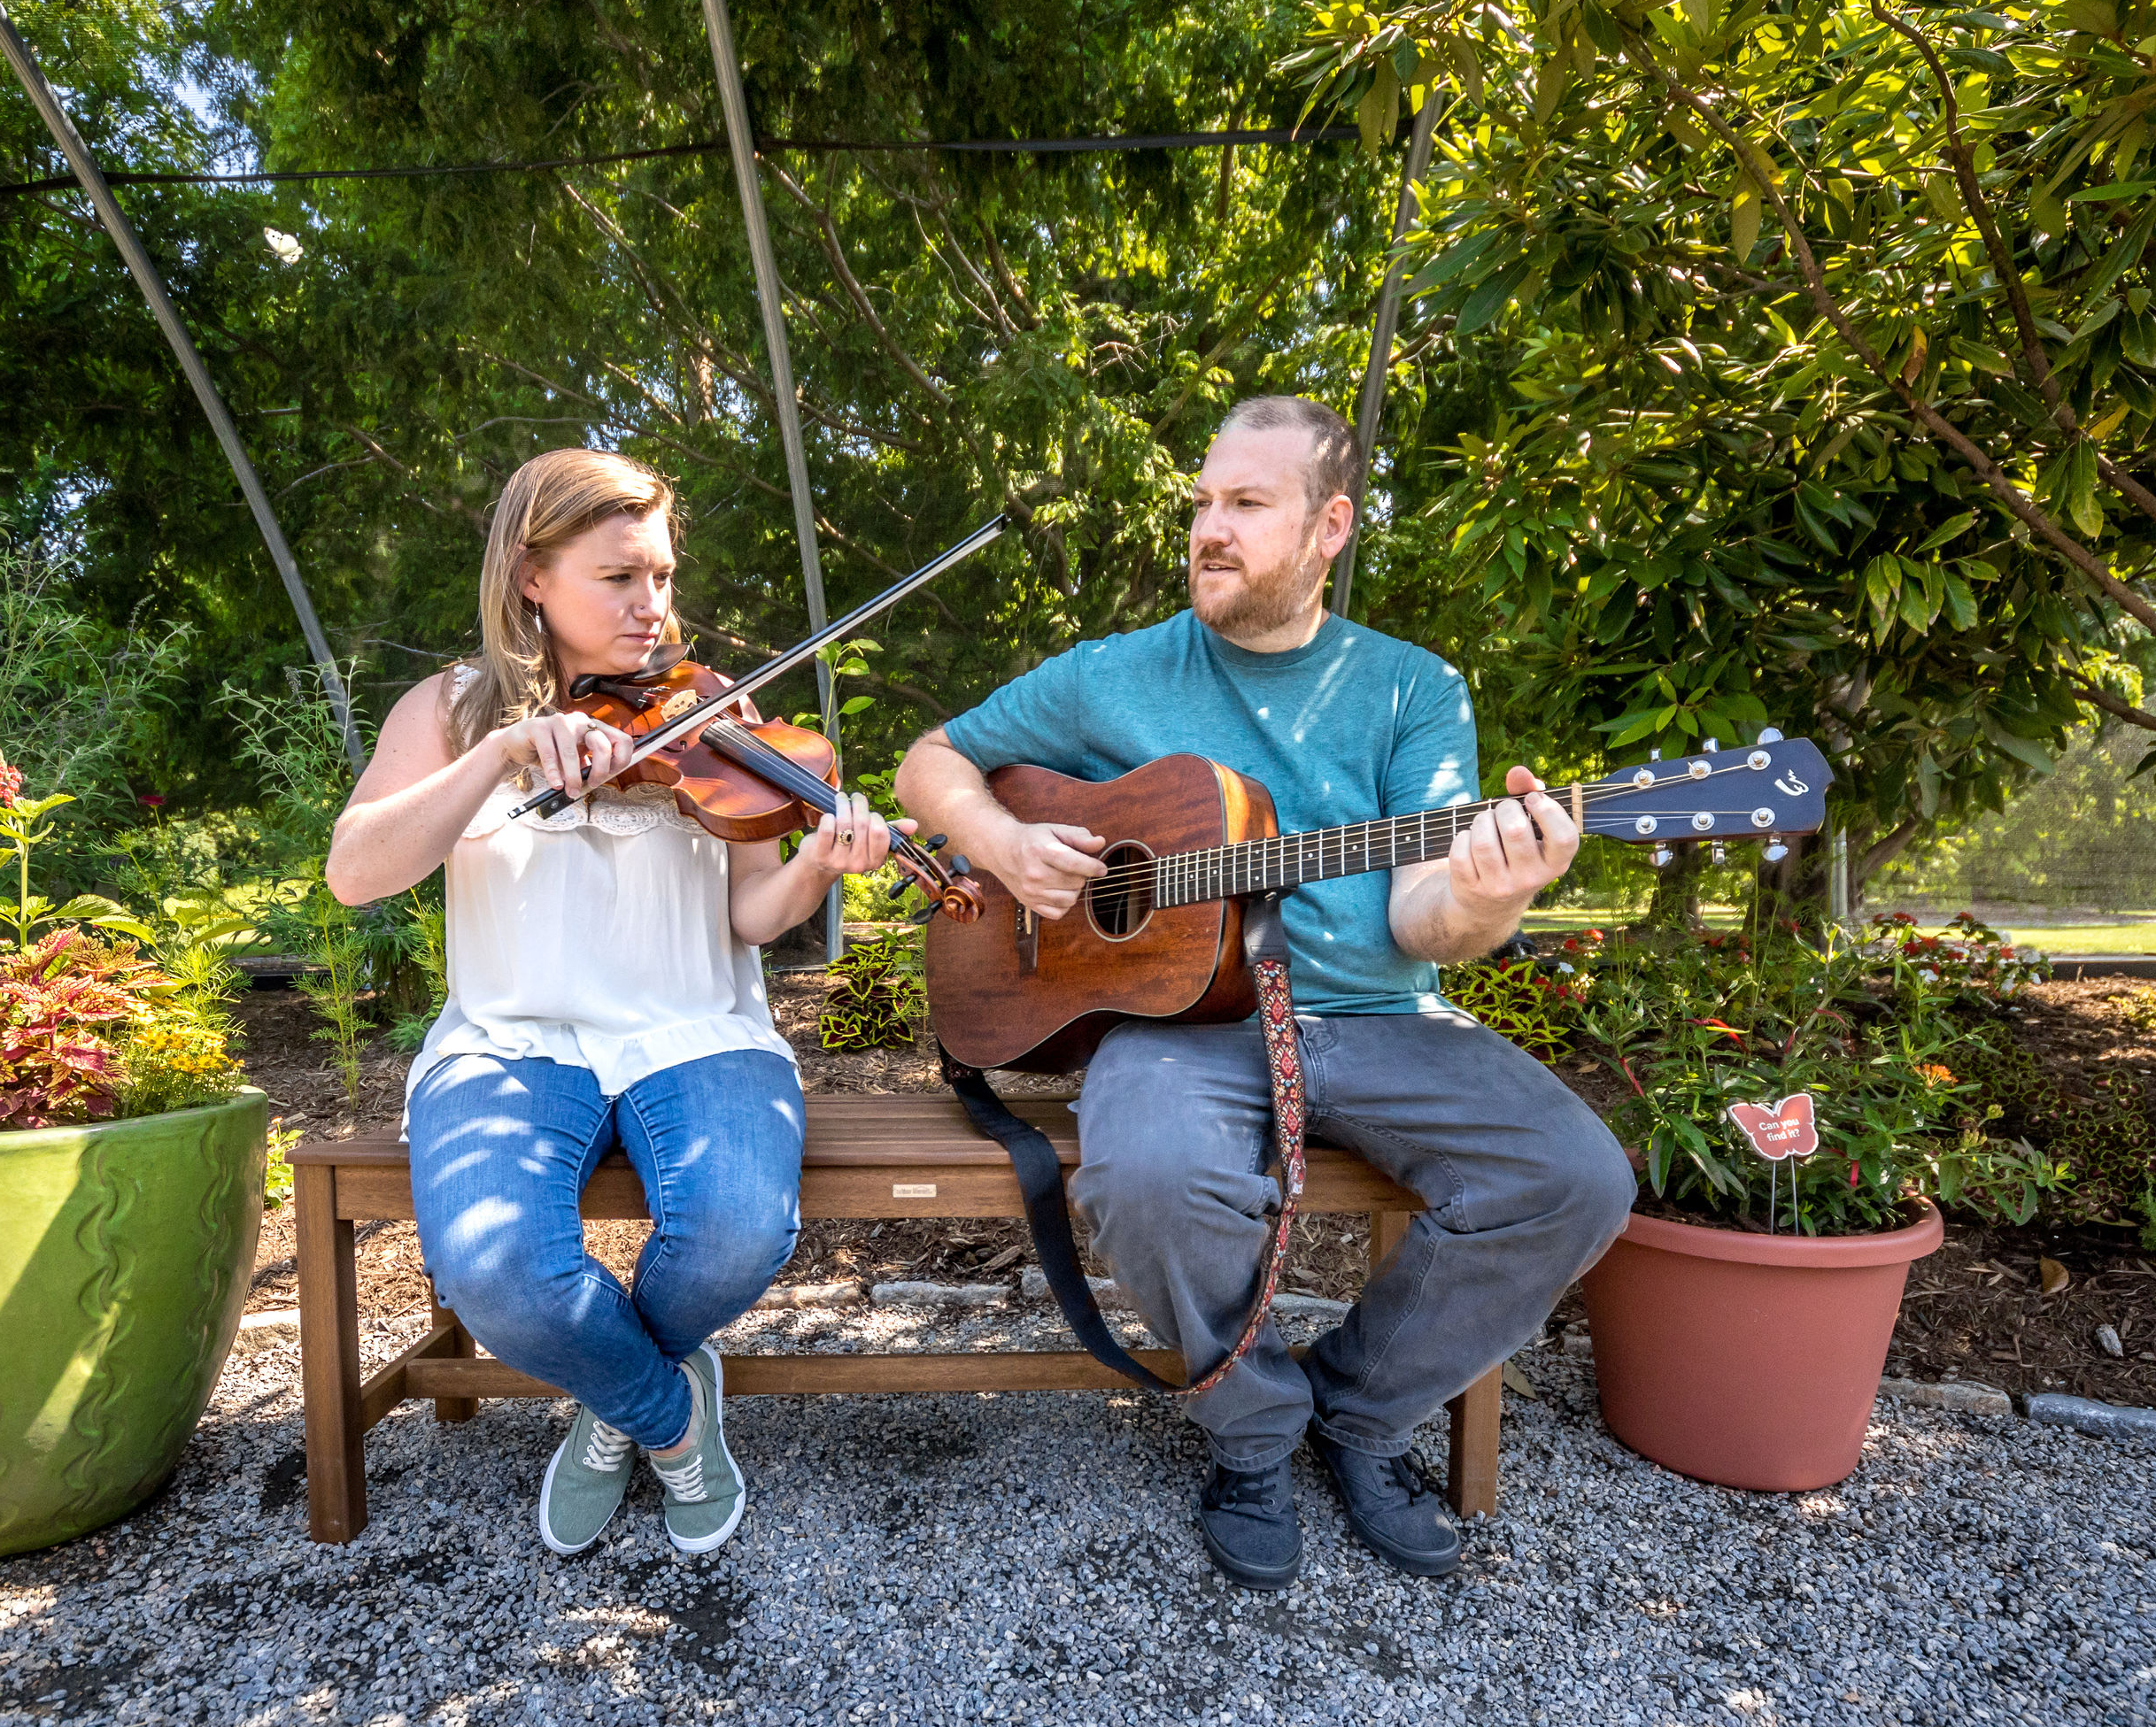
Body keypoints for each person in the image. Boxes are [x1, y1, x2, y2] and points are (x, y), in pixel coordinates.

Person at [895, 395, 1633, 1588]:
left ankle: (1354, 1410)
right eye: (1203, 502)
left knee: (1575, 1178)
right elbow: (933, 758)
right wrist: (995, 837)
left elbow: (1421, 916)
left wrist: (1496, 896)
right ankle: (1250, 1433)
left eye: (1246, 504)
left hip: (1379, 1019)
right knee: (1143, 1173)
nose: (1209, 529)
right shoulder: (1113, 676)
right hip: (1179, 1024)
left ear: (1330, 525)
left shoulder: (1411, 690)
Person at [326, 448, 897, 1559]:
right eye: (619, 578)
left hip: (697, 1028)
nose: (653, 608)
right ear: (532, 575)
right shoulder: (451, 709)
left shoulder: (716, 715)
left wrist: (822, 864)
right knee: (494, 1270)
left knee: (738, 1231)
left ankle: (611, 1399)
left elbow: (751, 918)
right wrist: (497, 753)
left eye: (664, 577)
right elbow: (356, 871)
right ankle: (673, 1419)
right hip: (510, 1042)